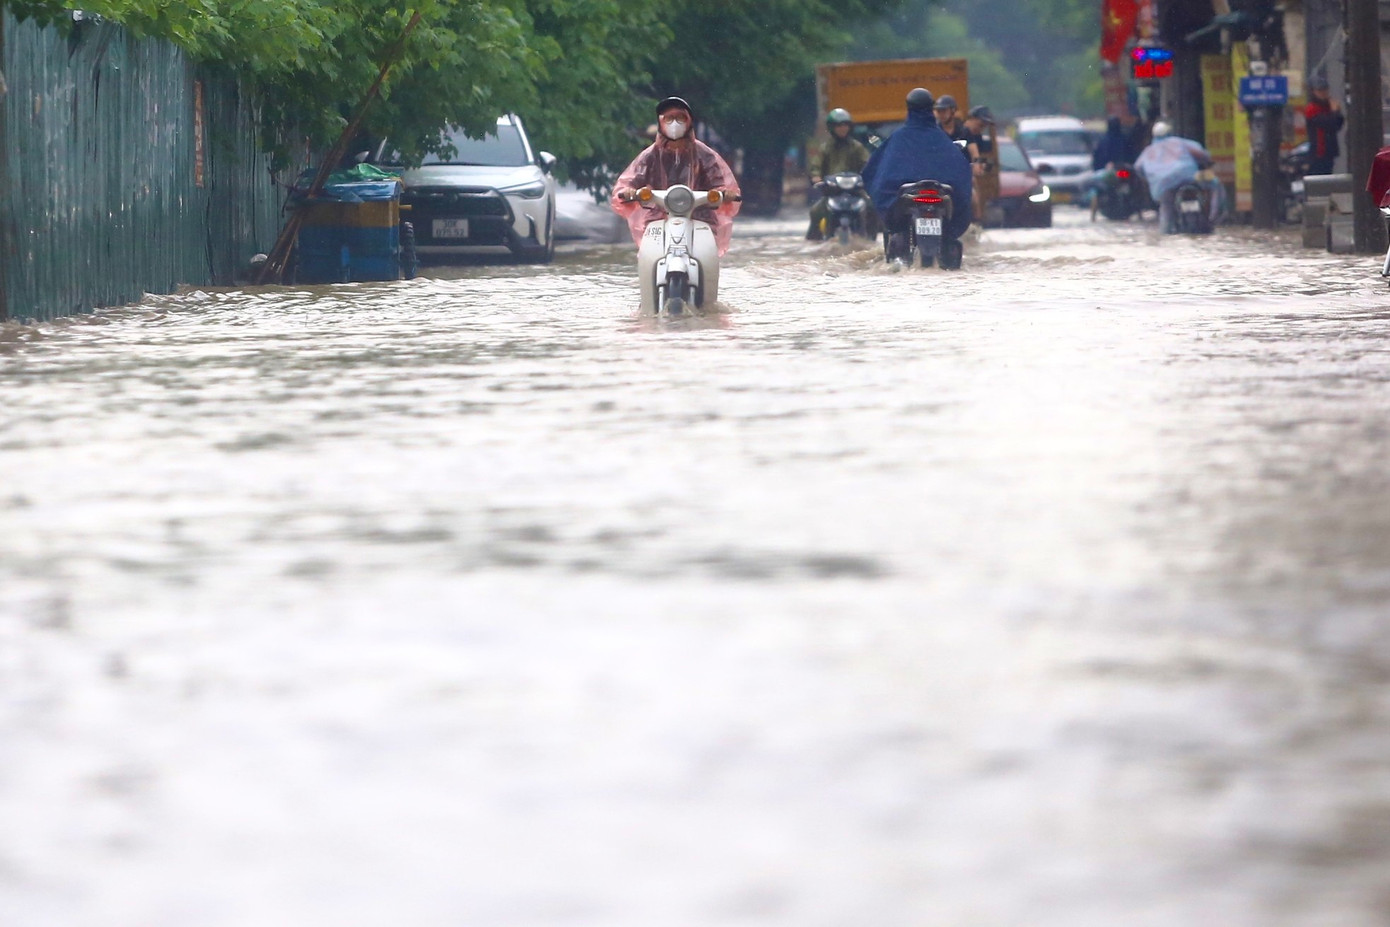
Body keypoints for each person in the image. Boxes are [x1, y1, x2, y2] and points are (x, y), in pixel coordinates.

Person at [611, 96, 742, 256]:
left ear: (689, 122)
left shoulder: (704, 154)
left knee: (706, 253)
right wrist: (629, 191)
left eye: (680, 118)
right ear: (661, 122)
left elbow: (717, 182)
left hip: (701, 216)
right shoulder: (650, 155)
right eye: (669, 119)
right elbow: (632, 180)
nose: (674, 124)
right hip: (658, 217)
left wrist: (724, 192)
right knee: (649, 253)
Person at [863, 88, 973, 259]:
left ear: (908, 107)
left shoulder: (898, 138)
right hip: (938, 198)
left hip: (908, 201)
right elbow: (962, 172)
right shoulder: (942, 139)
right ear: (931, 108)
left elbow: (874, 171)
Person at [1134, 121, 1222, 233]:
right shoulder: (1180, 143)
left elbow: (1138, 167)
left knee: (1166, 212)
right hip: (1189, 177)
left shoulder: (1148, 151)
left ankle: (1165, 233)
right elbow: (1202, 154)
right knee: (1215, 184)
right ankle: (1213, 216)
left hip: (1164, 185)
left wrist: (1148, 177)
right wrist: (1207, 161)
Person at [807, 108, 873, 240]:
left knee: (872, 207)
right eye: (838, 125)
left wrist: (871, 176)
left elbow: (868, 163)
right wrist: (816, 177)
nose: (842, 128)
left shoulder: (857, 147)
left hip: (855, 191)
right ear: (832, 128)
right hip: (832, 191)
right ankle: (813, 241)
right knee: (815, 212)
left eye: (845, 125)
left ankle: (871, 240)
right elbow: (816, 166)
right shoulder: (825, 148)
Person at [962, 105, 999, 220]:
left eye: (984, 127)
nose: (981, 129)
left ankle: (977, 218)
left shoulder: (978, 138)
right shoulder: (959, 132)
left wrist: (985, 166)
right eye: (980, 125)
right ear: (971, 118)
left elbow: (981, 158)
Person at [1304, 75, 1344, 176]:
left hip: (1328, 152)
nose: (1323, 93)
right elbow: (1327, 124)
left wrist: (1337, 112)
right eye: (1320, 90)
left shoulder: (1328, 107)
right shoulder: (1312, 109)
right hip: (1318, 153)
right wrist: (1334, 112)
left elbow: (1337, 125)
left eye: (1325, 90)